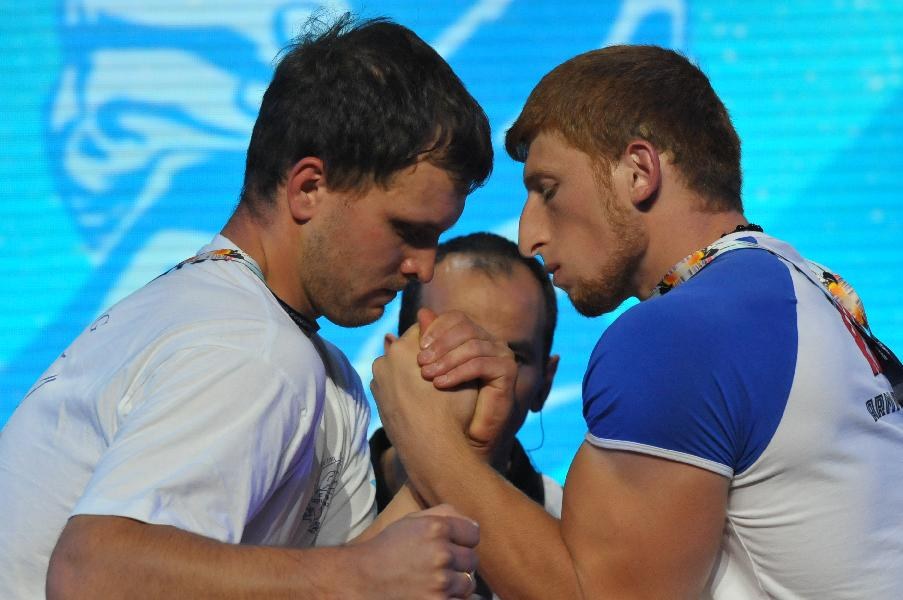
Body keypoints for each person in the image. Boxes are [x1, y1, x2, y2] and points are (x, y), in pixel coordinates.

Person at [371, 45, 903, 599]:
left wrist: (425, 433)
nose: (528, 236)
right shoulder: (807, 287)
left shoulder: (680, 334)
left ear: (639, 171)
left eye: (548, 190)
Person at [0, 14, 494, 599]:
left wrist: (463, 445)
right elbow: (91, 574)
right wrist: (356, 576)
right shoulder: (253, 347)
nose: (424, 267)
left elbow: (347, 581)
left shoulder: (287, 350)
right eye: (407, 229)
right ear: (308, 187)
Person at [369, 232, 562, 599]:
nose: (487, 375)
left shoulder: (572, 539)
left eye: (514, 358)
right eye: (454, 346)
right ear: (394, 362)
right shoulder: (310, 503)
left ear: (544, 384)